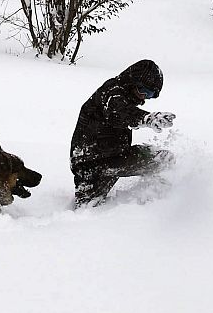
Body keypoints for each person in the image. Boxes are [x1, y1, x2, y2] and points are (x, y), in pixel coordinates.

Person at [70, 58, 175, 207]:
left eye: (150, 94)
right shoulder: (113, 92)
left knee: (163, 159)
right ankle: (157, 203)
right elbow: (118, 112)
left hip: (109, 157)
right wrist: (146, 118)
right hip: (94, 162)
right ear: (133, 81)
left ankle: (156, 202)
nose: (144, 96)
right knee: (88, 207)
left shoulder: (123, 94)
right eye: (143, 90)